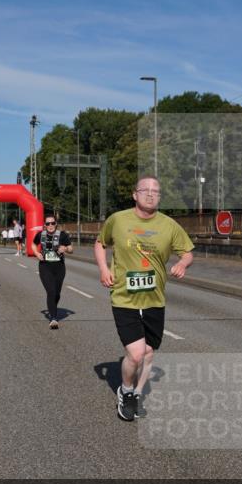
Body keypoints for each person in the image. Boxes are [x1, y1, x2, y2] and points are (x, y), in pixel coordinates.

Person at [95, 176, 193, 421]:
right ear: (134, 194)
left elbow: (188, 252)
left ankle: (136, 395)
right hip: (124, 297)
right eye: (145, 190)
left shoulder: (169, 225)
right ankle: (125, 390)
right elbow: (99, 243)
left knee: (149, 352)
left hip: (154, 299)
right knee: (137, 354)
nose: (150, 194)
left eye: (156, 191)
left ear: (159, 197)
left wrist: (182, 262)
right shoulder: (118, 220)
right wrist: (104, 269)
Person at [33, 214, 73, 329]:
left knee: (56, 293)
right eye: (48, 223)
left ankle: (52, 308)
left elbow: (71, 249)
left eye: (52, 223)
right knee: (51, 291)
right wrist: (36, 253)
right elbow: (33, 244)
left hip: (59, 267)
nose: (50, 225)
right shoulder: (40, 235)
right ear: (45, 225)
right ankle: (53, 318)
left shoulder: (62, 235)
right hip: (45, 266)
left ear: (56, 224)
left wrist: (65, 248)